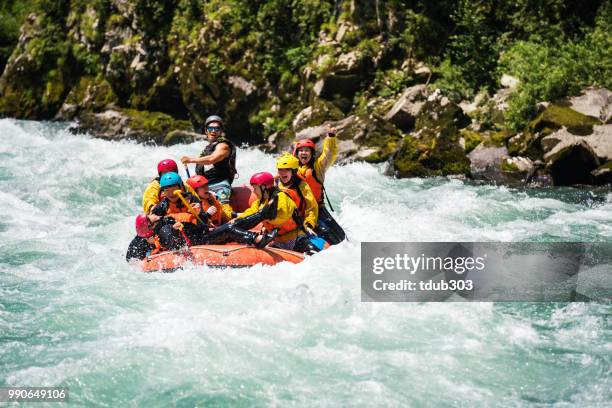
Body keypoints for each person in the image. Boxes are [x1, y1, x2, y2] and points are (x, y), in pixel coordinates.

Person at [235, 170, 321, 254]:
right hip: (278, 241)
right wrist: (236, 221)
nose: (253, 191)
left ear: (264, 188)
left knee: (313, 253)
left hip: (296, 237)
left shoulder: (281, 197)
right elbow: (250, 212)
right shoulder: (259, 202)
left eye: (255, 189)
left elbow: (281, 217)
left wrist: (263, 217)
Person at [293, 126, 345, 245]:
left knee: (340, 237)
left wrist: (331, 138)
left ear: (312, 154)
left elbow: (329, 155)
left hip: (318, 209)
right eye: (301, 150)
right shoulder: (292, 169)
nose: (304, 153)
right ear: (297, 154)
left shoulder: (318, 168)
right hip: (301, 211)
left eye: (307, 150)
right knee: (327, 235)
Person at [180, 115, 236, 219]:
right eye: (210, 128)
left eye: (217, 128)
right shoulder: (208, 148)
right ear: (206, 131)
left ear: (221, 131)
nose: (213, 131)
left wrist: (191, 160)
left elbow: (213, 159)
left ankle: (231, 222)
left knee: (224, 211)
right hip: (205, 186)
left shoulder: (223, 146)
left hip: (220, 184)